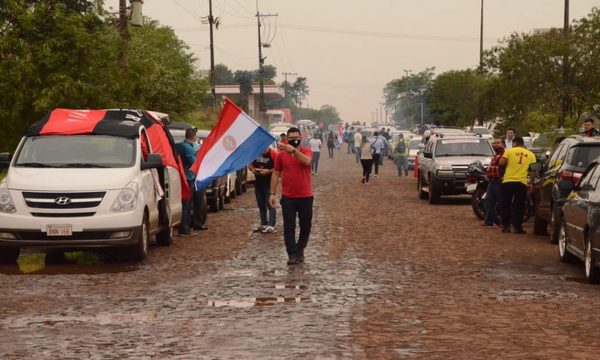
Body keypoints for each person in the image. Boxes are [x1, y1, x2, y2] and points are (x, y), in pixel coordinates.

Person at [269, 127, 314, 265]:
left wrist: (293, 151)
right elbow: (276, 173)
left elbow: (307, 161)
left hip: (306, 196)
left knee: (306, 226)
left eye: (297, 137)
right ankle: (292, 254)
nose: (295, 140)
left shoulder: (306, 151)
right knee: (289, 227)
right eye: (291, 138)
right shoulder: (281, 155)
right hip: (288, 197)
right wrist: (272, 193)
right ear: (287, 139)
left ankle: (300, 248)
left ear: (301, 138)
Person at [498, 136, 536, 234]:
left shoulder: (509, 151)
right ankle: (517, 227)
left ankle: (506, 226)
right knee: (519, 205)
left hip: (508, 181)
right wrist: (531, 183)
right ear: (523, 144)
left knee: (505, 204)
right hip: (521, 182)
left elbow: (501, 162)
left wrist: (503, 173)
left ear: (514, 143)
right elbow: (533, 171)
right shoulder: (531, 154)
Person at [175, 128, 200, 236]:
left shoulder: (179, 145)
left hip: (181, 176)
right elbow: (194, 164)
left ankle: (182, 226)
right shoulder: (189, 149)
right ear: (194, 137)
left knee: (183, 203)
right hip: (189, 178)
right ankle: (184, 228)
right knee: (187, 204)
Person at [249, 147, 278, 233]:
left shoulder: (274, 154)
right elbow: (250, 165)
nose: (262, 152)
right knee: (261, 204)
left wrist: (268, 171)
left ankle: (271, 225)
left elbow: (278, 168)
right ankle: (264, 223)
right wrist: (253, 169)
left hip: (269, 183)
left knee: (270, 204)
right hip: (258, 183)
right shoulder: (255, 153)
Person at [482, 138, 505, 228]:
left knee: (501, 202)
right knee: (488, 201)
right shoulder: (496, 155)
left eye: (498, 143)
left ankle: (503, 222)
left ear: (503, 144)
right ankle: (489, 221)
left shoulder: (505, 154)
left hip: (500, 181)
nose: (495, 144)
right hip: (492, 180)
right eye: (494, 143)